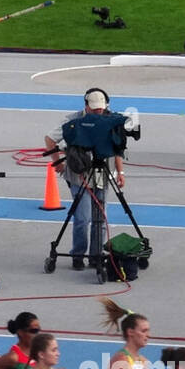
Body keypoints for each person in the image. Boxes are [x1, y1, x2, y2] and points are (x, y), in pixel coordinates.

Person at [43, 88, 126, 269]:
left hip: (102, 174)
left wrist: (121, 173)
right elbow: (50, 139)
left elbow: (117, 149)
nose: (98, 112)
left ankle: (96, 256)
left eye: (101, 109)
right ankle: (78, 255)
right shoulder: (73, 120)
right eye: (94, 109)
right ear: (86, 105)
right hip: (79, 175)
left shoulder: (111, 120)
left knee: (100, 217)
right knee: (82, 217)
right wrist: (57, 163)